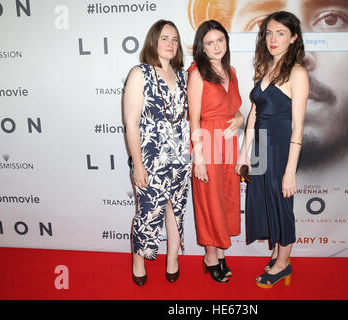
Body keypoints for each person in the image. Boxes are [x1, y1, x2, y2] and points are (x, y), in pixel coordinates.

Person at [189, 0, 348, 258]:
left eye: (332, 19)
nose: (301, 53)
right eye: (262, 26)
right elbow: (252, 112)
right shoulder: (197, 217)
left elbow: (293, 128)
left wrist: (287, 170)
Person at [236, 11, 309, 288]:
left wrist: (290, 172)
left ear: (293, 38)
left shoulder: (297, 73)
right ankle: (278, 255)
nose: (273, 39)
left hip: (280, 149)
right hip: (261, 150)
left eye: (280, 33)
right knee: (266, 202)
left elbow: (299, 127)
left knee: (282, 205)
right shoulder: (266, 67)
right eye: (268, 33)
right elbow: (255, 111)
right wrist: (245, 151)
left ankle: (282, 265)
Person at [123, 20, 191, 286]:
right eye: (165, 38)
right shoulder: (139, 73)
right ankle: (138, 260)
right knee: (148, 214)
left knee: (176, 211)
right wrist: (138, 164)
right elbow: (131, 123)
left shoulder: (184, 76)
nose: (171, 44)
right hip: (150, 160)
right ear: (154, 41)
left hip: (181, 159)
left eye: (175, 39)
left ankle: (172, 258)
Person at [188, 20, 244, 283]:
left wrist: (241, 120)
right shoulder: (197, 73)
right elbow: (193, 118)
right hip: (207, 143)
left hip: (229, 145)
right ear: (202, 47)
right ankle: (211, 256)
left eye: (220, 40)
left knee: (225, 199)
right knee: (209, 202)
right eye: (209, 43)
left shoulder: (231, 71)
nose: (216, 46)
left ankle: (220, 251)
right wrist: (198, 158)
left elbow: (236, 108)